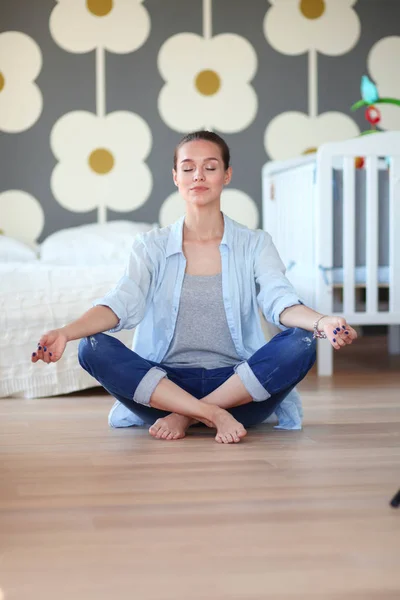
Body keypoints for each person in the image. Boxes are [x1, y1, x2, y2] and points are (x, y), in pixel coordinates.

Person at [31, 131, 357, 444]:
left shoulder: (255, 243)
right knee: (92, 347)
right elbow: (119, 304)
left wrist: (322, 322)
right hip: (163, 387)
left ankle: (186, 416)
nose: (198, 175)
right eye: (188, 168)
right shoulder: (150, 246)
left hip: (239, 388)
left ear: (226, 175)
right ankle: (210, 413)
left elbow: (281, 303)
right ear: (176, 177)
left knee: (302, 340)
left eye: (210, 167)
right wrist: (65, 332)